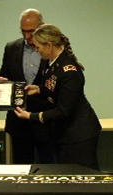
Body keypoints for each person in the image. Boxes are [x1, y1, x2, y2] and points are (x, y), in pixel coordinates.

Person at [15, 24, 102, 170]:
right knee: (66, 177)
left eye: (38, 47)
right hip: (63, 132)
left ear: (49, 45)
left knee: (83, 179)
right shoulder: (50, 63)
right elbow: (54, 88)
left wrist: (31, 116)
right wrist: (38, 89)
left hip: (79, 134)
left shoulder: (69, 71)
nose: (36, 50)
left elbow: (63, 111)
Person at [0, 9, 55, 164]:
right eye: (24, 31)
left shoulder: (51, 48)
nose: (28, 36)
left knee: (50, 170)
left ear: (42, 26)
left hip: (46, 121)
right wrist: (3, 83)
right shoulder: (11, 48)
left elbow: (58, 83)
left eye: (32, 32)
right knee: (21, 170)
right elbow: (6, 75)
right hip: (19, 121)